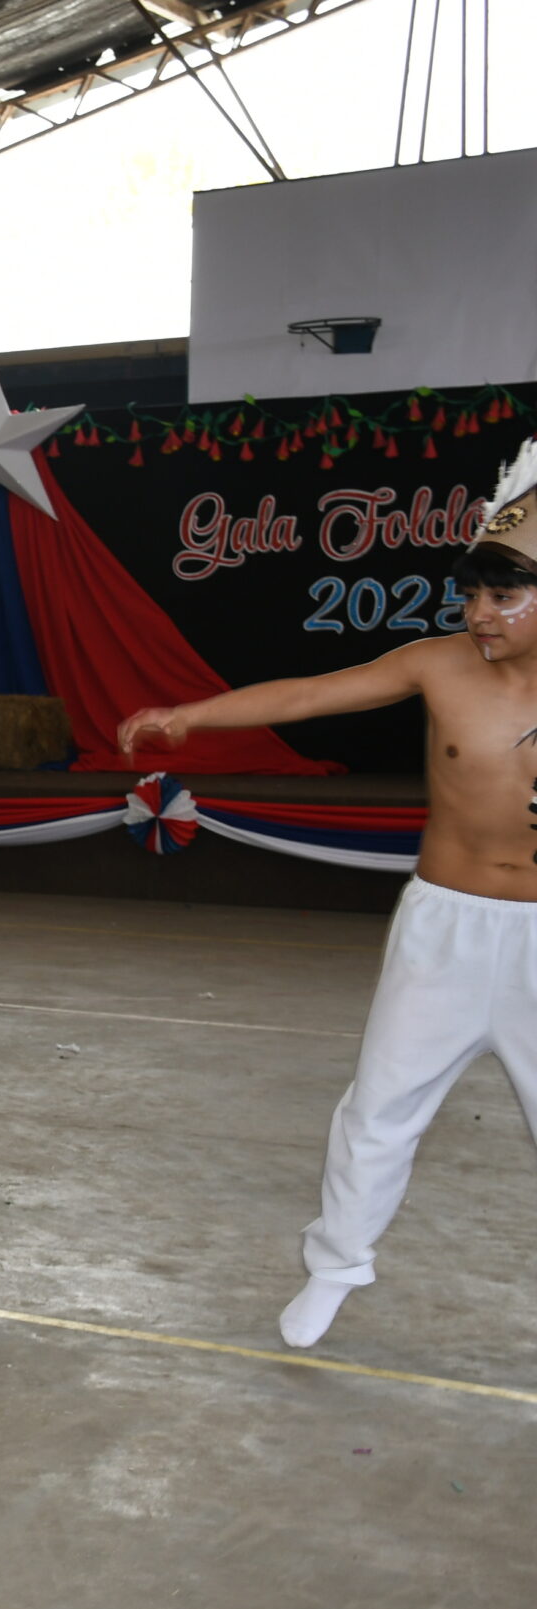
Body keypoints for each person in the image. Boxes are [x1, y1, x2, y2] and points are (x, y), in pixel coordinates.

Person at [117, 437, 537, 1348]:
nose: (480, 613)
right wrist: (190, 717)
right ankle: (336, 1267)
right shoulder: (439, 663)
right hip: (445, 927)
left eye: (504, 595)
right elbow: (310, 695)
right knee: (379, 1108)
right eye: (472, 593)